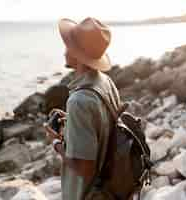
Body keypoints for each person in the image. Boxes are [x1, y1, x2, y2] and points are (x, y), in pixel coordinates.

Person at [44, 17, 121, 200]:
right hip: (109, 186)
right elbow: (103, 128)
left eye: (68, 45)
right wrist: (72, 122)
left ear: (77, 54)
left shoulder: (79, 101)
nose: (64, 50)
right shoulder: (105, 81)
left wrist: (56, 143)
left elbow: (85, 169)